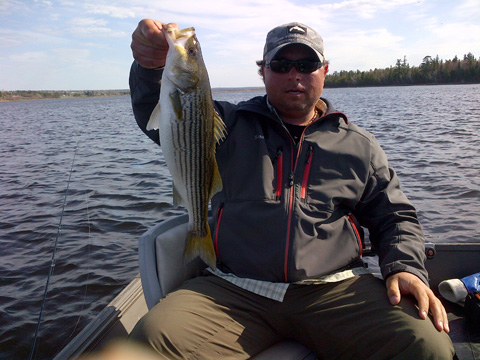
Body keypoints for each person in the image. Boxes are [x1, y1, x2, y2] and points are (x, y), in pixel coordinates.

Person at [129, 19, 455, 359]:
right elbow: (169, 111)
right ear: (263, 72)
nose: (294, 74)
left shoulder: (359, 145)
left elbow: (396, 217)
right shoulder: (228, 124)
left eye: (307, 64)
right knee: (147, 345)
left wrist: (403, 266)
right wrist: (150, 68)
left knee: (426, 344)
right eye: (281, 65)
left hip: (337, 289)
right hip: (234, 290)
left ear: (324, 71)